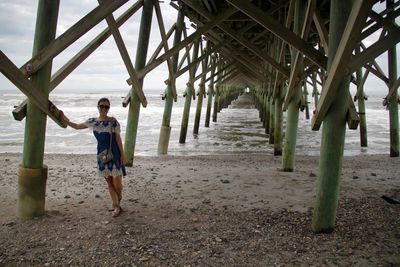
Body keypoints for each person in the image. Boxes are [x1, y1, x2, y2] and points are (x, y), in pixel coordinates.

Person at [62, 97, 125, 217]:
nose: (104, 109)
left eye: (106, 106)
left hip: (115, 153)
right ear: (98, 107)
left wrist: (123, 154)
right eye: (102, 106)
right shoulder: (93, 122)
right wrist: (64, 119)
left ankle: (118, 197)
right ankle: (116, 206)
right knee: (110, 183)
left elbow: (118, 138)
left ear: (109, 108)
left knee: (118, 182)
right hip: (102, 155)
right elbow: (76, 126)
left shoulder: (113, 121)